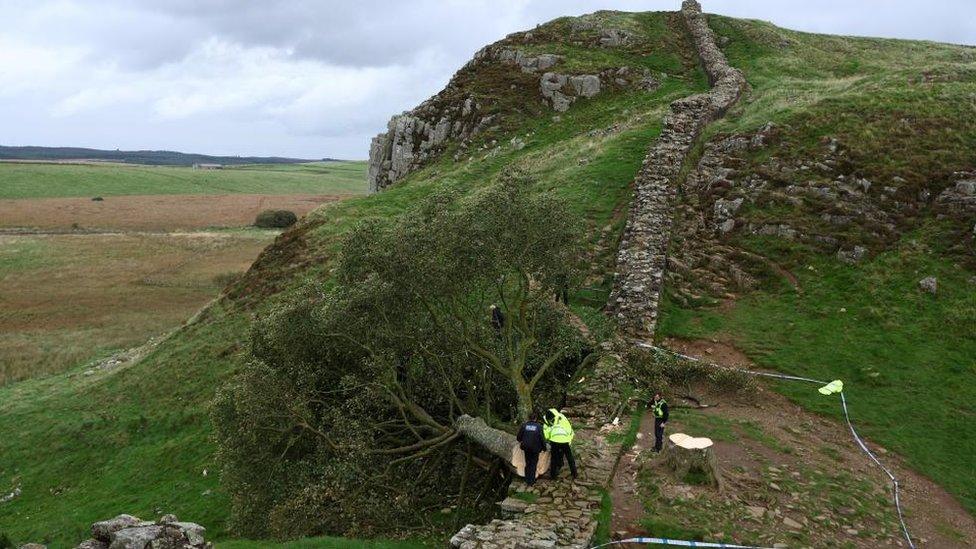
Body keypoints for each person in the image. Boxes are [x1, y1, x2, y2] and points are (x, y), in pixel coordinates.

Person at [544, 408, 577, 480]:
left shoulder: (546, 421)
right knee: (569, 457)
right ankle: (574, 473)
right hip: (565, 439)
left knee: (554, 458)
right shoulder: (562, 417)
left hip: (554, 440)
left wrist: (549, 439)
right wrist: (569, 440)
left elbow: (545, 433)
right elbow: (569, 429)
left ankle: (553, 476)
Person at [516, 410, 547, 486]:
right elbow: (542, 439)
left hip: (526, 447)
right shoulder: (539, 427)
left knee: (528, 463)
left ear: (529, 418)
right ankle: (531, 481)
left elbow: (519, 437)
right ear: (536, 418)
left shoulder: (524, 425)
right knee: (533, 464)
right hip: (535, 448)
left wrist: (522, 440)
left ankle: (527, 479)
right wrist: (544, 448)